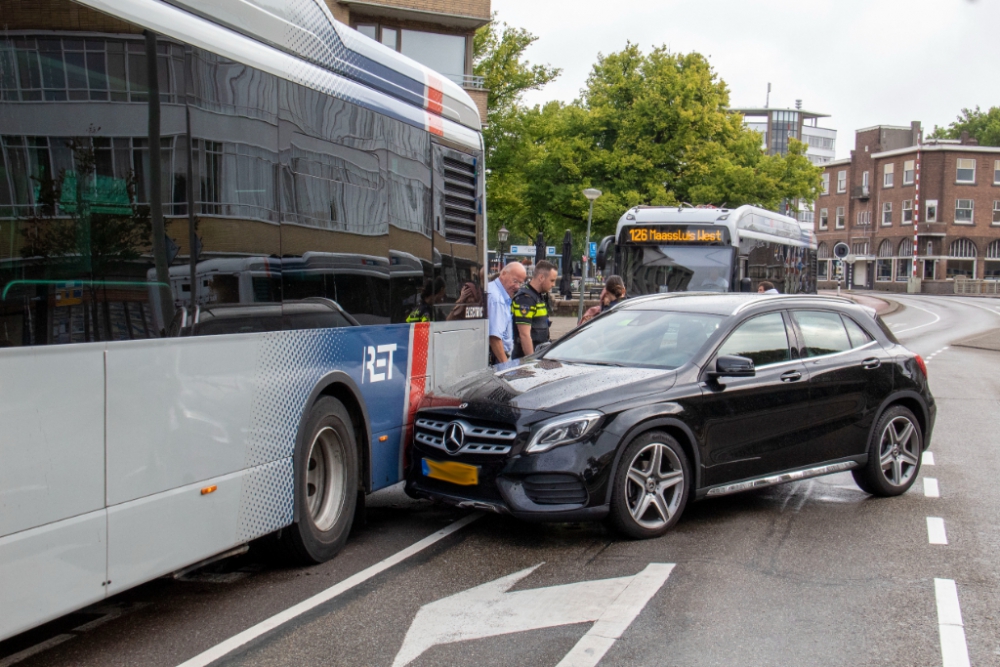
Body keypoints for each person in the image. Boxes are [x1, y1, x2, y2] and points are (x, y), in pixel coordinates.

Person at [511, 259, 558, 359]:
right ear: (541, 277)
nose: (553, 284)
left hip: (539, 354)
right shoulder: (525, 299)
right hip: (525, 360)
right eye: (552, 280)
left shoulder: (538, 296)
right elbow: (524, 335)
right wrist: (532, 362)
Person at [486, 261, 526, 363]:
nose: (517, 286)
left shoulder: (495, 290)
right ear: (503, 274)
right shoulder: (497, 299)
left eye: (520, 283)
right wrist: (505, 365)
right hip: (497, 357)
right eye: (515, 281)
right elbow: (494, 337)